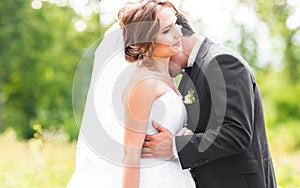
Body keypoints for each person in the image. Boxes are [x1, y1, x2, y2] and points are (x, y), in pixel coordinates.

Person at [67, 0, 196, 187]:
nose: (178, 33)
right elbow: (131, 156)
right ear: (144, 44)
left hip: (174, 175)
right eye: (167, 31)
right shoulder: (143, 85)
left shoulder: (166, 75)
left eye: (175, 25)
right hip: (152, 179)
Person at [142, 13, 277, 188]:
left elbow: (237, 132)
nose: (158, 63)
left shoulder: (222, 61)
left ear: (177, 35)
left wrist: (176, 146)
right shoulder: (190, 74)